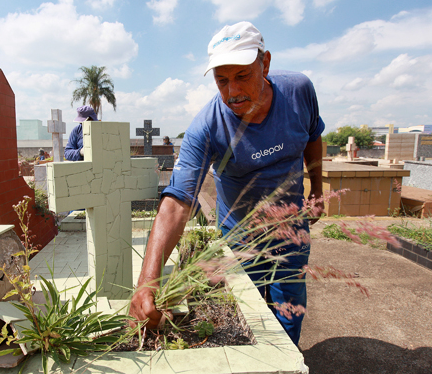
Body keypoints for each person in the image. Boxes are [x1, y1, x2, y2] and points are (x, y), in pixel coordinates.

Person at [129, 21, 325, 346]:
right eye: (222, 80)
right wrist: (147, 282)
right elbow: (177, 202)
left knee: (289, 315)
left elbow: (313, 136)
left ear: (265, 63)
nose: (232, 92)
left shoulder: (299, 91)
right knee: (249, 319)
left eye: (242, 76)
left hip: (291, 229)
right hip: (240, 239)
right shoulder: (207, 127)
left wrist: (317, 189)